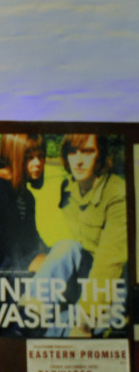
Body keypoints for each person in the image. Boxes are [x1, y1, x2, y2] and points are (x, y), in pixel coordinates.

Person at [30, 133, 127, 337]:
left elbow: (109, 263)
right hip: (83, 272)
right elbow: (68, 247)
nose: (79, 160)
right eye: (72, 152)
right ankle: (27, 313)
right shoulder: (69, 188)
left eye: (88, 151)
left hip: (112, 285)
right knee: (66, 246)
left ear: (101, 155)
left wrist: (85, 320)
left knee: (66, 327)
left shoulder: (117, 193)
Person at [0, 133, 48, 274]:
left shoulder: (27, 197)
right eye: (30, 157)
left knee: (70, 250)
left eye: (41, 156)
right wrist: (31, 263)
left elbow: (31, 240)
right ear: (14, 156)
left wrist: (49, 255)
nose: (38, 163)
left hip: (20, 267)